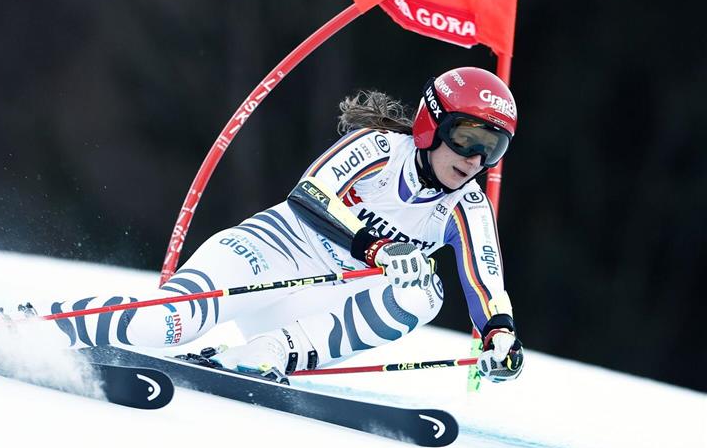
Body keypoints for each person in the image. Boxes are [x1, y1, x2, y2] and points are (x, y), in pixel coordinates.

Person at [53, 67, 524, 383]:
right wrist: (378, 249)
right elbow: (311, 195)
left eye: (493, 148)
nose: (475, 159)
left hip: (317, 303)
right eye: (467, 138)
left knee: (424, 292)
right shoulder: (379, 149)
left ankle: (269, 353)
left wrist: (499, 335)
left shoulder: (469, 206)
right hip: (268, 255)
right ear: (432, 126)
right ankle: (36, 325)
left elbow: (485, 278)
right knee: (167, 324)